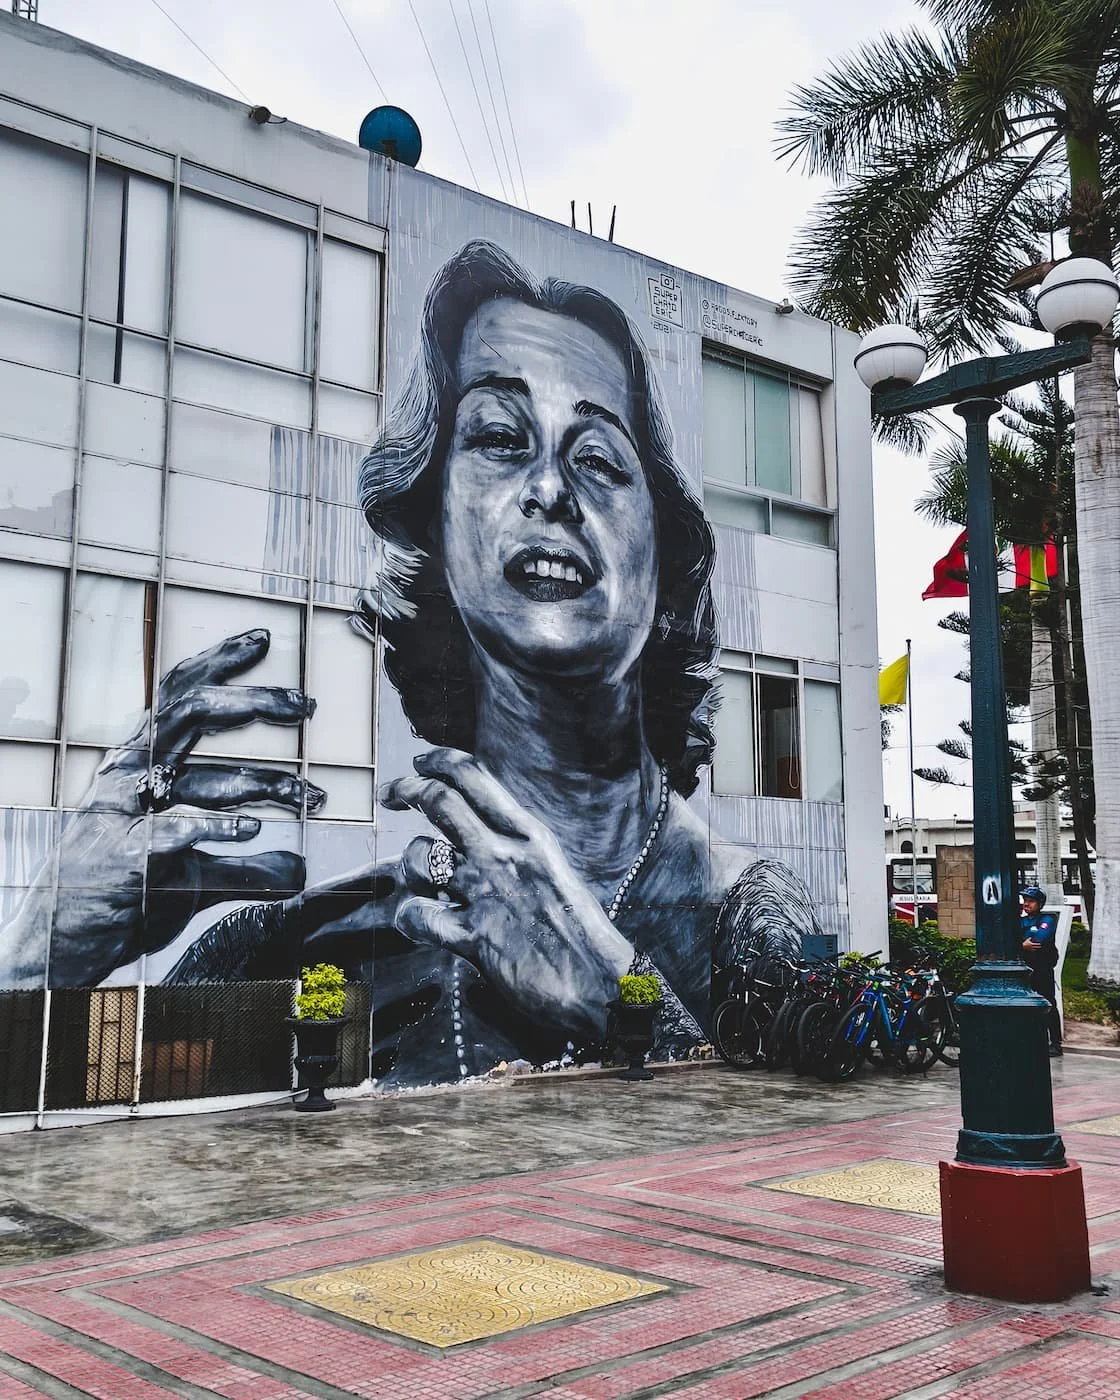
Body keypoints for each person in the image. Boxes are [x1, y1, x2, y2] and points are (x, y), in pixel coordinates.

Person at [0, 240, 821, 1087]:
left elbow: (804, 1153)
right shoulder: (288, 944)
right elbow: (100, 1126)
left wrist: (613, 999)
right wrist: (40, 954)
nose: (550, 489)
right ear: (432, 521)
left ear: (667, 553)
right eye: (500, 438)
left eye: (600, 459)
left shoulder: (744, 917)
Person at [1020, 886, 1062, 1056]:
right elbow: (1012, 940)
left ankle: (1055, 1043)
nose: (1026, 904)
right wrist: (1021, 944)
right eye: (1025, 901)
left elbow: (1038, 940)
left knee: (1048, 1004)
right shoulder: (1020, 921)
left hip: (1043, 969)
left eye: (1030, 901)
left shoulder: (1048, 919)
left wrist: (1022, 941)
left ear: (1040, 903)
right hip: (1025, 970)